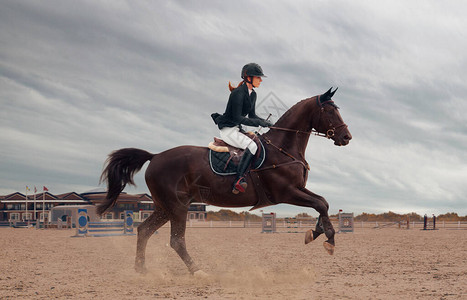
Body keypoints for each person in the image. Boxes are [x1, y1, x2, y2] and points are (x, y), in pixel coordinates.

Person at [211, 63, 273, 194]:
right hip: (227, 130)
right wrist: (258, 123)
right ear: (248, 78)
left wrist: (265, 122)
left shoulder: (253, 94)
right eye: (258, 77)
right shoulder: (237, 93)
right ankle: (239, 180)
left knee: (259, 143)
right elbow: (238, 118)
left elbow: (252, 115)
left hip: (236, 129)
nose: (260, 80)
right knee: (252, 146)